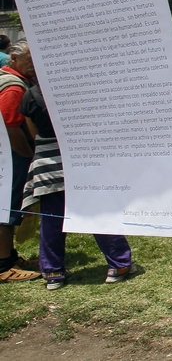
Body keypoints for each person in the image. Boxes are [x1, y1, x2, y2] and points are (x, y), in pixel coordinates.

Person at [21, 84, 138, 288]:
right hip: (79, 158)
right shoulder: (74, 89)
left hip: (47, 163)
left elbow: (33, 132)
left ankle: (53, 272)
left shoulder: (31, 95)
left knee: (51, 220)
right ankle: (118, 264)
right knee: (97, 213)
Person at [0, 41, 39, 282]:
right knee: (9, 208)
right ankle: (4, 265)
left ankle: (10, 256)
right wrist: (27, 155)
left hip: (8, 155)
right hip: (13, 156)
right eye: (28, 60)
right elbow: (12, 127)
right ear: (13, 59)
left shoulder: (7, 77)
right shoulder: (14, 88)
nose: (33, 65)